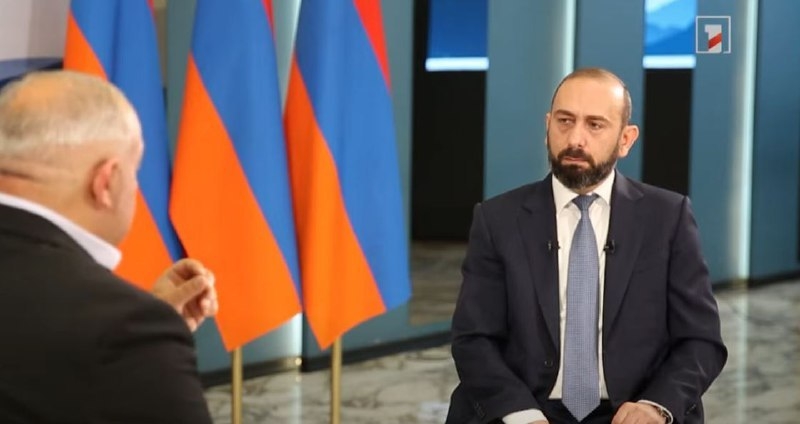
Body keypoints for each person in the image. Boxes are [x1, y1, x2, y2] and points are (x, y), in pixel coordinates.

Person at [445, 68, 727, 424]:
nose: (575, 138)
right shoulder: (497, 219)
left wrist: (655, 405)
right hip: (525, 406)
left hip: (631, 408)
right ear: (547, 126)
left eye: (595, 125)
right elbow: (473, 339)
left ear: (626, 139)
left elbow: (701, 340)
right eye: (564, 121)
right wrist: (522, 415)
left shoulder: (668, 218)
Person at [0, 70, 217, 423]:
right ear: (106, 181)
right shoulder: (126, 329)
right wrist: (139, 332)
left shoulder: (121, 324)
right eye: (135, 172)